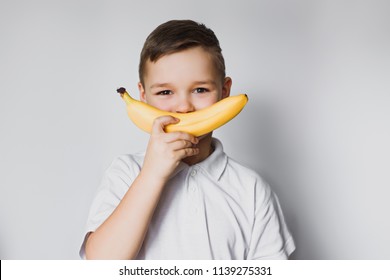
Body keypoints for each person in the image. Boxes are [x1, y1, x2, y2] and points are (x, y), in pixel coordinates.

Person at [80, 19, 295, 260]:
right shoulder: (125, 173)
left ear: (224, 92)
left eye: (200, 90)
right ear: (143, 96)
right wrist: (152, 174)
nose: (183, 107)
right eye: (165, 92)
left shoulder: (251, 189)